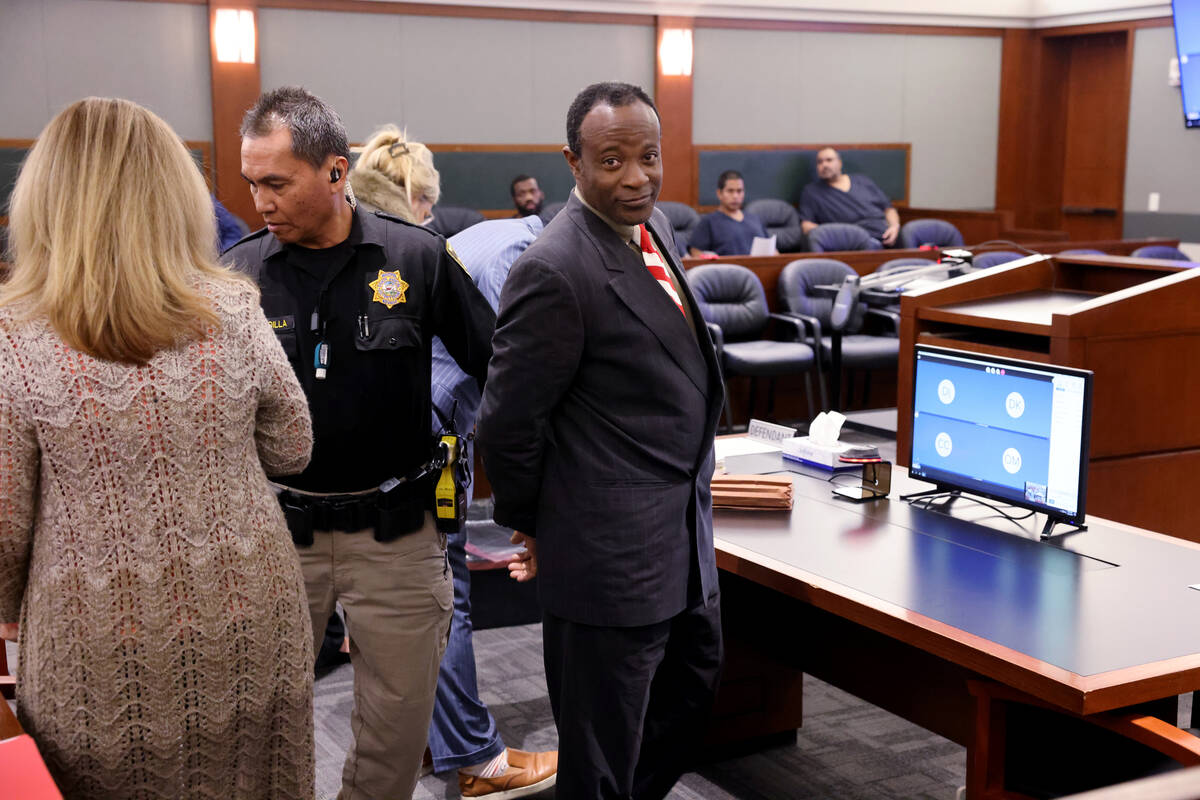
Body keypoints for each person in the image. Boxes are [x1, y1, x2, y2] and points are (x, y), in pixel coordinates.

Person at [0, 97, 314, 798]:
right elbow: (293, 445)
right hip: (251, 622)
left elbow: (4, 530)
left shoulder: (13, 338)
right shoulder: (232, 306)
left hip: (95, 645)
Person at [224, 86, 496, 800]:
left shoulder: (416, 257)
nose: (261, 202)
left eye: (276, 183)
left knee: (394, 738)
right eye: (252, 184)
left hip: (397, 536)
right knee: (259, 733)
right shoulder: (238, 276)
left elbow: (502, 364)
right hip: (278, 538)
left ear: (336, 172)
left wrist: (532, 486)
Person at [477, 81, 725, 800]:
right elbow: (507, 421)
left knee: (688, 706)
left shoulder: (657, 229)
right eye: (613, 160)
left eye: (649, 157)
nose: (637, 177)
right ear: (574, 163)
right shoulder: (554, 268)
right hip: (607, 557)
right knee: (600, 756)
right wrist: (534, 523)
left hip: (683, 539)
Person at [428, 216, 558, 797]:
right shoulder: (528, 265)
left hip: (414, 418)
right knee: (444, 592)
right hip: (432, 432)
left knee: (420, 595)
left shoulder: (504, 235)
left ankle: (440, 740)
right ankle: (476, 760)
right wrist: (531, 513)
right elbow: (518, 395)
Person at [798, 146, 900, 246]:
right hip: (856, 242)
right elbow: (806, 226)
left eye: (829, 160)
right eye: (820, 162)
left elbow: (889, 209)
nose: (824, 165)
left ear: (840, 163)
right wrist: (835, 234)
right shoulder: (812, 192)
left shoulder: (863, 181)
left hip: (886, 234)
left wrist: (894, 227)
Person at [349, 125, 439, 225]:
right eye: (425, 215)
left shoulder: (346, 208)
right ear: (414, 197)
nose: (423, 222)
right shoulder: (399, 234)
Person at [687, 169, 769, 256]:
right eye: (730, 191)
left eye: (739, 191)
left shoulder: (755, 219)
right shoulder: (708, 222)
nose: (735, 196)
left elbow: (773, 251)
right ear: (719, 193)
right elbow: (695, 253)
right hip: (726, 268)